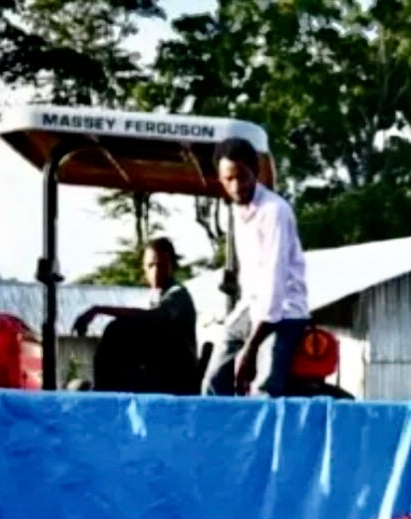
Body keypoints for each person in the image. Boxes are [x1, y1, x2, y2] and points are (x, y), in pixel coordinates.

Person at [204, 137, 309, 397]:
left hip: (283, 313)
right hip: (250, 308)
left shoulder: (274, 211)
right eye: (229, 179)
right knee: (213, 382)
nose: (236, 186)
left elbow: (274, 286)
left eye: (242, 177)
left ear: (256, 172)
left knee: (262, 392)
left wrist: (250, 350)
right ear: (220, 179)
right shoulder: (237, 212)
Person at [75, 238, 198, 394]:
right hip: (156, 372)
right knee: (119, 330)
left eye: (161, 265)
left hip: (179, 377)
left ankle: (106, 391)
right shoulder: (153, 298)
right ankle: (105, 390)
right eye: (150, 266)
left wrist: (98, 310)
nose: (156, 271)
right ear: (144, 270)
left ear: (171, 265)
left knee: (119, 328)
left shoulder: (178, 294)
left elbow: (155, 318)